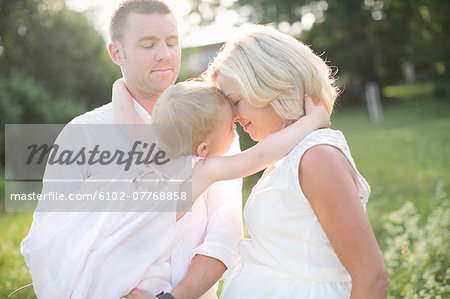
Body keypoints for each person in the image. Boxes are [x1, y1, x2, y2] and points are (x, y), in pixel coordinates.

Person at [21, 1, 239, 298]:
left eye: (172, 42)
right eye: (148, 44)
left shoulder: (217, 127)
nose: (164, 54)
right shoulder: (82, 135)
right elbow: (46, 241)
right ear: (116, 53)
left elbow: (224, 234)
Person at [199, 24, 388, 298]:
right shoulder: (288, 156)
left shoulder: (317, 158)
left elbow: (372, 279)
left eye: (236, 102)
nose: (234, 118)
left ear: (270, 83)